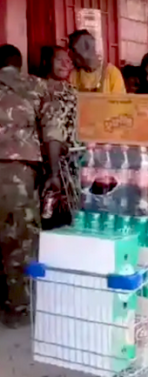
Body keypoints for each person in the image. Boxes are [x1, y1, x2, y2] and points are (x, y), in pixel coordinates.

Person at [0, 44, 63, 327]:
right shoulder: (36, 86)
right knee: (19, 240)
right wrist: (54, 172)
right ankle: (18, 309)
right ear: (19, 63)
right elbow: (52, 131)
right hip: (19, 170)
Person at [37, 46, 80, 230]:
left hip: (73, 165)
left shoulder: (72, 90)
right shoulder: (41, 89)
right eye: (59, 60)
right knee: (53, 220)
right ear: (47, 62)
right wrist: (54, 172)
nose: (65, 64)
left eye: (68, 60)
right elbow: (51, 130)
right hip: (52, 165)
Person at [67, 30, 126, 94]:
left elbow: (118, 102)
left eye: (73, 50)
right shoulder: (74, 74)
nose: (70, 57)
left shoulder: (111, 72)